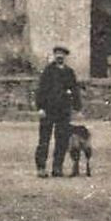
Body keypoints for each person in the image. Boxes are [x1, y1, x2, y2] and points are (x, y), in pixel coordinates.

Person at [35, 46, 82, 177]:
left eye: (62, 54)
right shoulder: (48, 71)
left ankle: (57, 167)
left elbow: (75, 90)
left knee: (62, 140)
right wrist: (40, 108)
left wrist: (77, 108)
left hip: (63, 110)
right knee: (44, 140)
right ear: (54, 55)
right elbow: (41, 90)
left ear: (65, 57)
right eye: (57, 54)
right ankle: (41, 168)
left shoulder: (69, 72)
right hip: (48, 110)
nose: (59, 56)